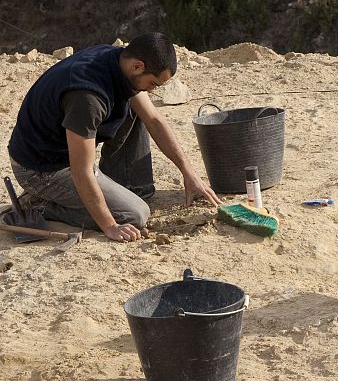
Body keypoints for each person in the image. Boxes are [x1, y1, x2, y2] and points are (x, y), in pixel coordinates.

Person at [7, 32, 221, 242]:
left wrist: (188, 172)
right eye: (154, 84)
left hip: (62, 152)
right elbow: (81, 171)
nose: (153, 91)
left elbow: (154, 120)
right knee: (135, 215)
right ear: (138, 66)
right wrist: (110, 226)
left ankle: (129, 186)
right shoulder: (87, 97)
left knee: (137, 108)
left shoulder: (119, 61)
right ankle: (38, 204)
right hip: (40, 169)